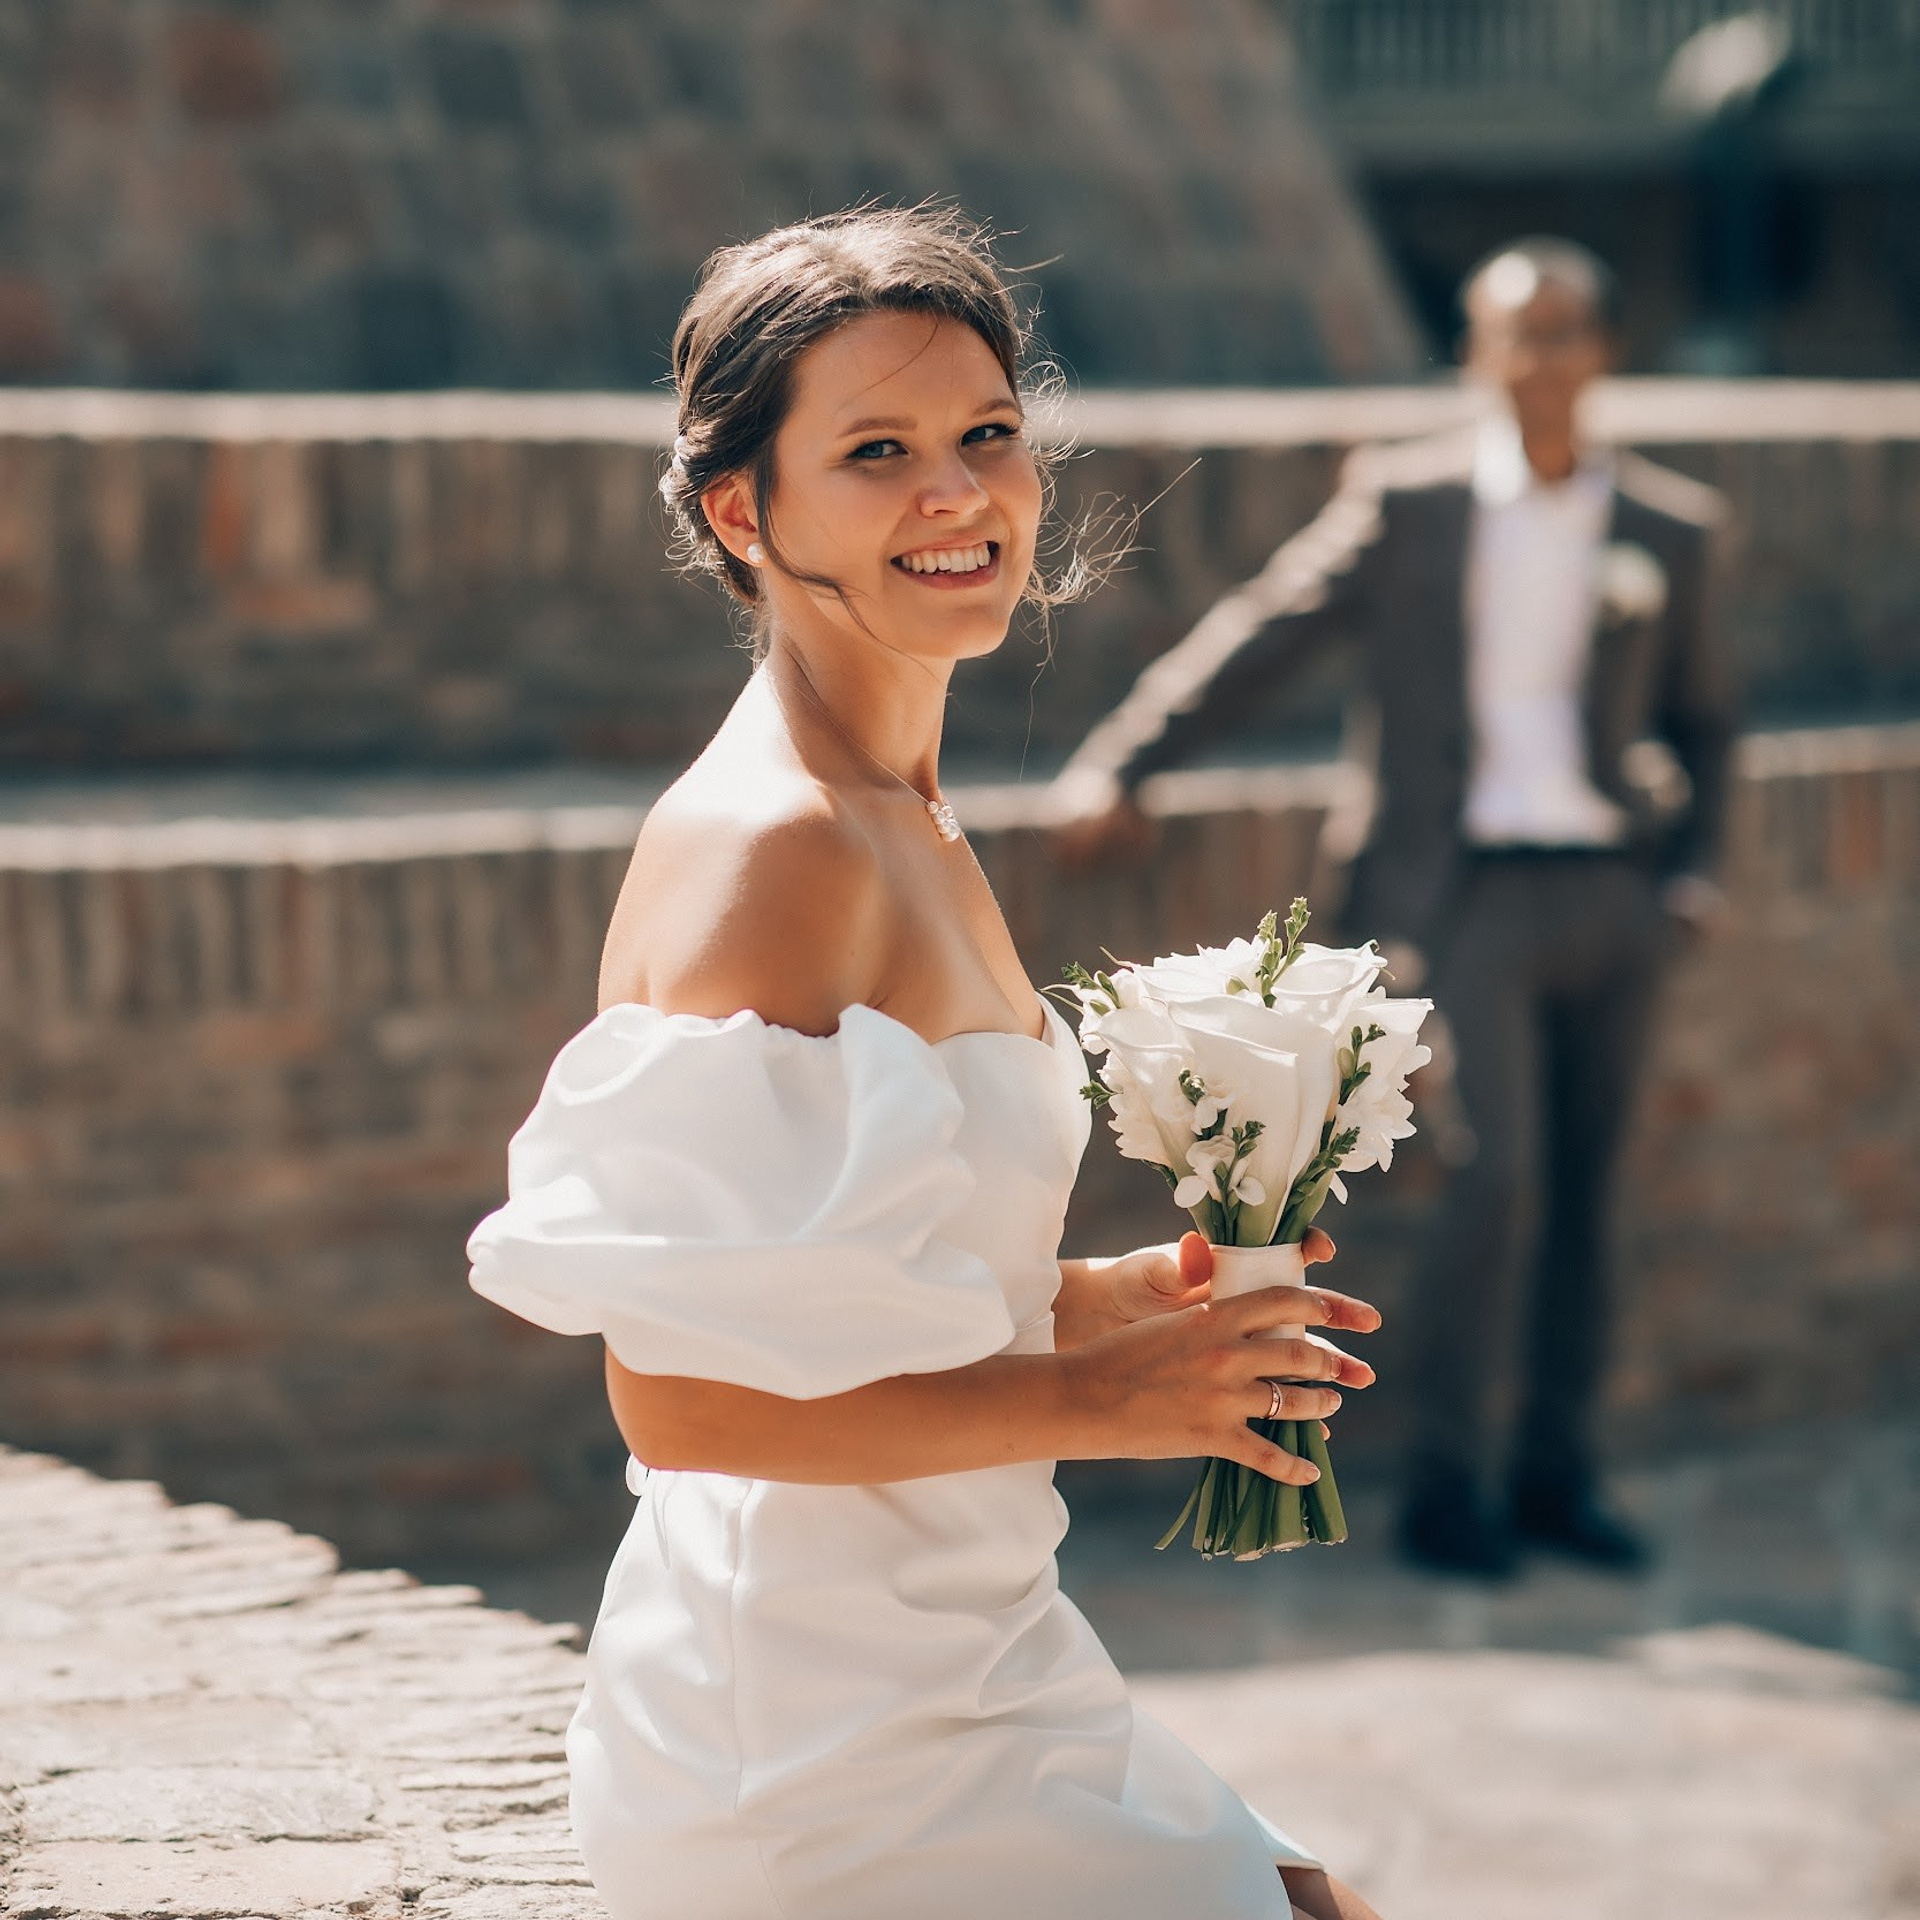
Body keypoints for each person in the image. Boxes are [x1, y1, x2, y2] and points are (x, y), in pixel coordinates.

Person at [468, 208, 1387, 1920]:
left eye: (985, 436)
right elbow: (672, 1397)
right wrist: (1091, 1401)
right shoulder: (777, 846)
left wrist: (1095, 1301)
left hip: (976, 1635)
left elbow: (834, 1273)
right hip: (813, 1724)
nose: (956, 495)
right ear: (744, 506)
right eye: (875, 453)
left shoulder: (906, 815)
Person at [1052, 239, 1737, 1581]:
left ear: (1602, 351)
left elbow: (1710, 718)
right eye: (1512, 335)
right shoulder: (1411, 501)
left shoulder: (1670, 528)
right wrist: (1128, 759)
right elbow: (1271, 628)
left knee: (1594, 1194)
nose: (1540, 359)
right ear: (1478, 355)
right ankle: (1448, 1489)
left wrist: (1691, 872)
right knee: (1500, 1179)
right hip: (1462, 889)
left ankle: (1559, 1474)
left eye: (1564, 333)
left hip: (1613, 889)